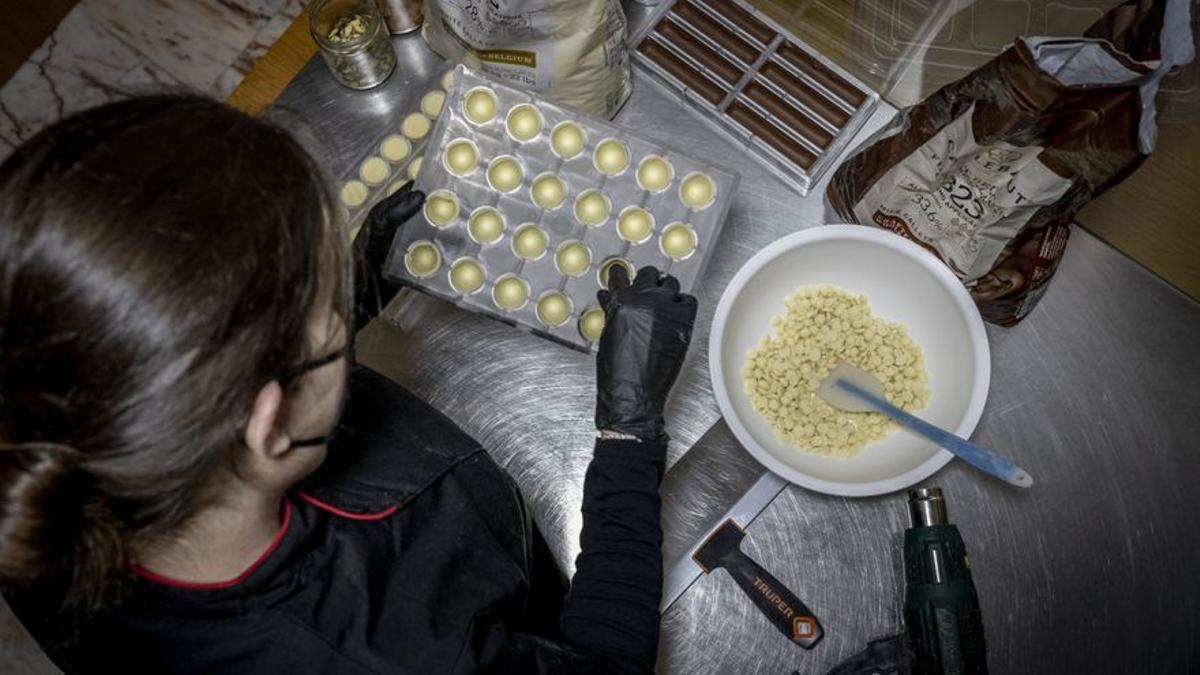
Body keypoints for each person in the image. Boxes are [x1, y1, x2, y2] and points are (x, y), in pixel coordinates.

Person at [0, 95, 698, 673]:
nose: (337, 305)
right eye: (327, 314)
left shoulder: (37, 470)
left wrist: (356, 294)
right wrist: (629, 430)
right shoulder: (394, 653)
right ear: (269, 421)